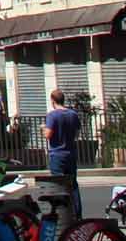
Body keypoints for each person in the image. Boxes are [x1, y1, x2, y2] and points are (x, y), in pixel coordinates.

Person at [46, 88, 84, 219]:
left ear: (52, 100)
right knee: (73, 184)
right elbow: (77, 132)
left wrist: (42, 129)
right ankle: (77, 214)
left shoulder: (52, 115)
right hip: (70, 153)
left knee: (59, 185)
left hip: (57, 154)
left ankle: (63, 215)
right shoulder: (72, 114)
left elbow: (48, 134)